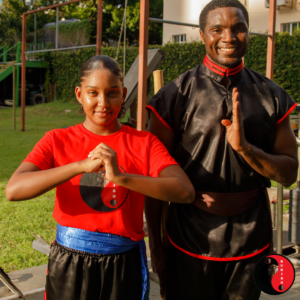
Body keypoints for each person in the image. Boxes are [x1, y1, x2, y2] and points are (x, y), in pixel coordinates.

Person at [5, 55, 195, 300]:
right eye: (93, 93)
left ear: (124, 93)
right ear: (79, 94)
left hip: (124, 263)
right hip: (69, 262)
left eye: (112, 93)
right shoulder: (56, 140)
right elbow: (14, 190)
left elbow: (184, 191)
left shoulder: (144, 143)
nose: (103, 102)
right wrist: (79, 166)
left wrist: (121, 177)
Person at [145, 0, 298, 299]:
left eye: (238, 28)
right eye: (217, 29)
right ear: (202, 35)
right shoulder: (175, 95)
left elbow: (289, 174)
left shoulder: (272, 95)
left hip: (252, 236)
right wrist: (158, 250)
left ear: (248, 33)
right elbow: (155, 182)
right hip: (188, 236)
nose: (228, 37)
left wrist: (246, 150)